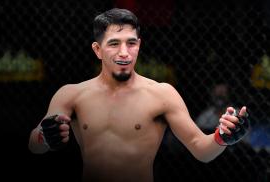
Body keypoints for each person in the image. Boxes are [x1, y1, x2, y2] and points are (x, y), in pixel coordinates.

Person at [28, 8, 250, 182]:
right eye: (114, 43)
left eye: (131, 43)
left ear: (139, 46)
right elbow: (34, 145)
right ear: (97, 50)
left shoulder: (162, 94)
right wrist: (44, 135)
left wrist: (223, 137)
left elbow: (200, 148)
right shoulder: (71, 94)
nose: (124, 52)